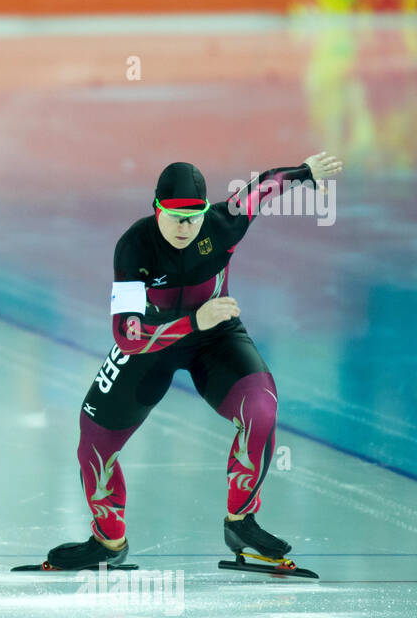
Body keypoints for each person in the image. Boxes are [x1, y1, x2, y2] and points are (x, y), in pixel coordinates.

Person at [46, 152, 344, 569]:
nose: (184, 227)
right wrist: (191, 320)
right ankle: (108, 541)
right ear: (156, 210)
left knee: (261, 409)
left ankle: (241, 521)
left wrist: (305, 172)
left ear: (207, 210)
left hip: (215, 337)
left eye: (193, 216)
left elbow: (263, 188)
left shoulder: (224, 222)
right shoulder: (134, 247)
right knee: (93, 440)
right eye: (174, 217)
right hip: (152, 343)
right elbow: (125, 335)